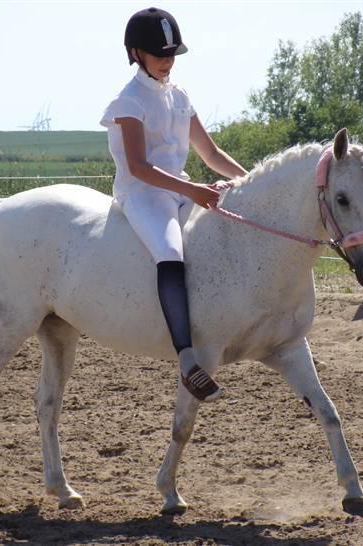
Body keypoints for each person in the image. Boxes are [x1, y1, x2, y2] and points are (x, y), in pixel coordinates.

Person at [100, 7, 248, 402]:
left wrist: (248, 183)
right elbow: (138, 166)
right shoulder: (128, 102)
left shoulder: (180, 96)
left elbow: (211, 153)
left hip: (180, 189)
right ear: (135, 53)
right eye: (159, 53)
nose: (167, 60)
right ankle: (186, 357)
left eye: (171, 54)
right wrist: (195, 191)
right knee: (169, 251)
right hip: (142, 193)